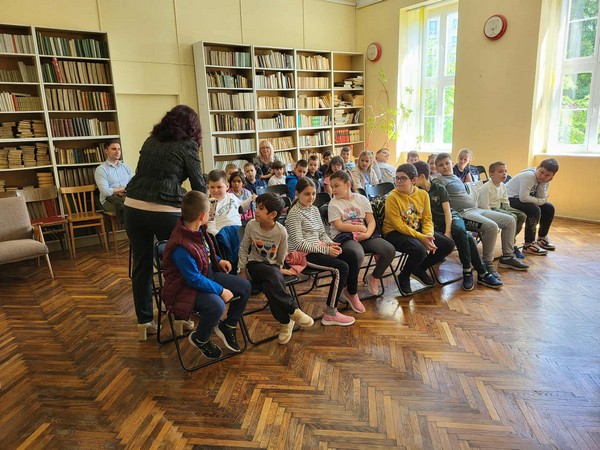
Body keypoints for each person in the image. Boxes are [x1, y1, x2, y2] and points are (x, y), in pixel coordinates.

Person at [124, 105, 206, 340]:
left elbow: (141, 173)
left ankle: (144, 322)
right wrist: (204, 213)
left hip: (132, 207)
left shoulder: (151, 141)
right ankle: (181, 317)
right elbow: (199, 186)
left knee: (141, 266)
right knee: (181, 262)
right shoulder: (187, 145)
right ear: (193, 126)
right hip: (164, 209)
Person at [161, 191, 251, 358]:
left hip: (205, 274)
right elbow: (193, 279)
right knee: (217, 305)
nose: (210, 215)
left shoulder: (197, 229)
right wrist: (221, 290)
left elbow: (204, 252)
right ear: (202, 216)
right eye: (209, 212)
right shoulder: (180, 245)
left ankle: (228, 326)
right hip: (185, 287)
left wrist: (218, 260)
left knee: (245, 286)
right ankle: (200, 338)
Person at [433, 153, 528, 279]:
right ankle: (487, 262)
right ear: (437, 168)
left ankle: (507, 257)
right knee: (491, 227)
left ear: (452, 164)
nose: (445, 167)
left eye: (447, 163)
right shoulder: (438, 181)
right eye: (441, 165)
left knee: (510, 220)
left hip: (475, 209)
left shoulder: (455, 177)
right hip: (463, 213)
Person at [413, 161, 503, 290]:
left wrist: (448, 232)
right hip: (436, 225)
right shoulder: (417, 192)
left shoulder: (438, 187)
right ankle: (480, 273)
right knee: (467, 236)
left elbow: (447, 211)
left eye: (414, 178)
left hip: (452, 218)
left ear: (422, 177)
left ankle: (468, 271)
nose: (412, 181)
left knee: (460, 230)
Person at [238, 193, 314, 344]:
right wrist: (242, 270)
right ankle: (293, 309)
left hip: (272, 268)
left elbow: (282, 254)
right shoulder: (252, 225)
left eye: (260, 208)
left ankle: (285, 322)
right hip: (255, 265)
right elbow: (244, 248)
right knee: (272, 275)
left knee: (270, 286)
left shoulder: (281, 231)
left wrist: (279, 269)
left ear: (272, 214)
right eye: (257, 207)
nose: (256, 211)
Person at [285, 178, 355, 326]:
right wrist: (326, 250)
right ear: (297, 194)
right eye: (307, 194)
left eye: (313, 194)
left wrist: (330, 243)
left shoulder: (314, 209)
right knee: (341, 268)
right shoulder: (294, 214)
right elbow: (299, 244)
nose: (311, 197)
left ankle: (350, 293)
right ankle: (330, 313)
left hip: (318, 247)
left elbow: (322, 234)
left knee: (351, 255)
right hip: (302, 254)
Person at [383, 163, 454, 295]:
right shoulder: (392, 198)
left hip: (417, 229)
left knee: (447, 244)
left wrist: (429, 235)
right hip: (394, 233)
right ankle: (404, 275)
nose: (398, 181)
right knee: (419, 249)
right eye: (397, 178)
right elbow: (399, 226)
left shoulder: (423, 194)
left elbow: (427, 219)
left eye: (403, 178)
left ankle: (419, 268)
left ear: (414, 180)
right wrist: (422, 238)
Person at [328, 170, 396, 298]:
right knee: (356, 255)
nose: (333, 190)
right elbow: (339, 226)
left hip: (364, 235)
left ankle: (374, 277)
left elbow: (371, 221)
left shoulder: (361, 199)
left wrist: (367, 234)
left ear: (347, 184)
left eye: (336, 186)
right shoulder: (333, 203)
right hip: (345, 237)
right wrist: (360, 228)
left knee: (389, 250)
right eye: (332, 187)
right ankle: (349, 288)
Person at [506, 158, 559, 255]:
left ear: (552, 176)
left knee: (549, 208)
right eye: (541, 172)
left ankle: (542, 238)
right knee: (534, 210)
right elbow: (524, 198)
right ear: (538, 168)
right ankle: (528, 244)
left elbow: (540, 197)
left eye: (547, 175)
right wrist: (542, 201)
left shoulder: (545, 181)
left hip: (522, 199)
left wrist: (542, 184)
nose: (543, 176)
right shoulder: (528, 176)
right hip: (509, 199)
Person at [206, 169, 254, 273]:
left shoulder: (232, 197)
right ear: (208, 188)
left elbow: (242, 207)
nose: (215, 190)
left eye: (219, 187)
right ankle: (236, 266)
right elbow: (210, 227)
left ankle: (246, 265)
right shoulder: (211, 204)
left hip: (238, 230)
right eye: (212, 187)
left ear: (227, 186)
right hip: (223, 233)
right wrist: (220, 235)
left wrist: (251, 198)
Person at [477, 162, 527, 259]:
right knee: (512, 217)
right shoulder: (486, 188)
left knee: (522, 216)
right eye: (500, 171)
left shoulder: (503, 186)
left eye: (505, 171)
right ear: (491, 174)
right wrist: (508, 214)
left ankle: (511, 240)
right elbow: (484, 207)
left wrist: (509, 211)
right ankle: (511, 245)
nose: (504, 173)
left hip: (500, 207)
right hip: (490, 210)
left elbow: (505, 202)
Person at [94, 139, 132, 224]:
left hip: (126, 196)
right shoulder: (101, 169)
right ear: (106, 151)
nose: (117, 152)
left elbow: (133, 186)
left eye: (119, 149)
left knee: (142, 206)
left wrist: (123, 190)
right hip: (108, 200)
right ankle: (131, 230)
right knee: (129, 209)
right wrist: (123, 189)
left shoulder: (126, 167)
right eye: (114, 149)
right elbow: (105, 192)